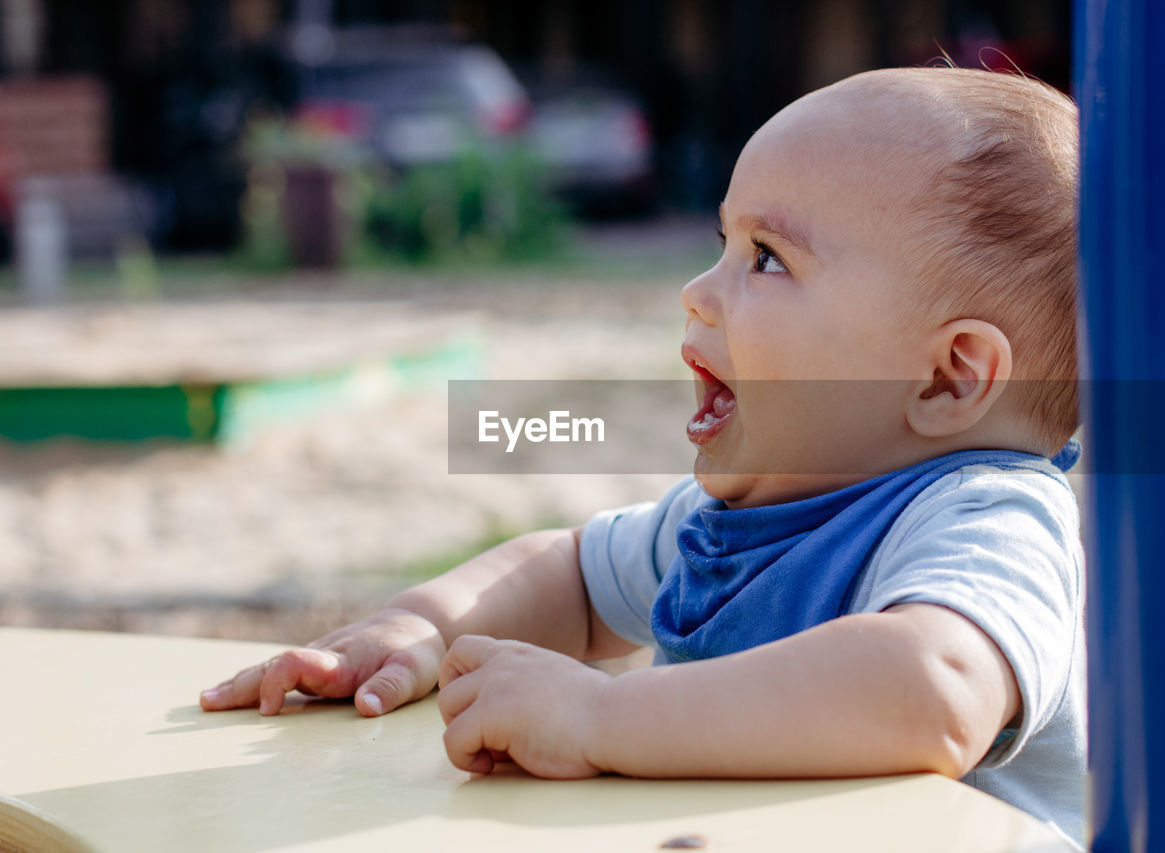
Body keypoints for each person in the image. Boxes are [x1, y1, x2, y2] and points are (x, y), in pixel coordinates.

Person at [201, 66, 1085, 846]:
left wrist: (599, 713)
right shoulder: (732, 520)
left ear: (947, 376)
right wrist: (424, 628)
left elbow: (930, 690)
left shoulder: (984, 518)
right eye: (722, 244)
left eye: (768, 259)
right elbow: (575, 573)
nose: (697, 293)